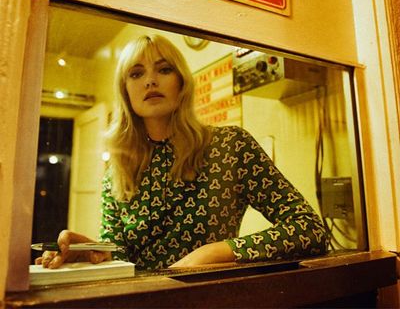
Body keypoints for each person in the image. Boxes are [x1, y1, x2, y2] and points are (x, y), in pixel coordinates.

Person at [36, 34, 327, 271]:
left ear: (182, 83)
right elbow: (120, 253)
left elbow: (309, 228)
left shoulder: (230, 146)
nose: (150, 80)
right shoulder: (118, 168)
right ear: (125, 92)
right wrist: (90, 251)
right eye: (136, 73)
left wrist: (216, 252)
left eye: (163, 69)